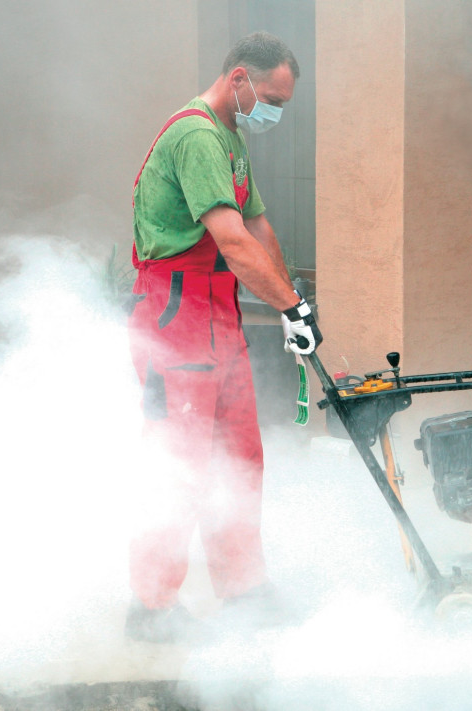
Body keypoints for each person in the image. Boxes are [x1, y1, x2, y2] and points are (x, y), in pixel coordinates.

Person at [125, 31, 321, 644]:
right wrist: (288, 306)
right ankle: (151, 608)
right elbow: (232, 242)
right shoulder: (196, 136)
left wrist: (295, 306)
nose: (274, 113)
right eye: (272, 100)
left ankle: (244, 592)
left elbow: (259, 229)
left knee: (238, 457)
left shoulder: (230, 137)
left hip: (218, 319)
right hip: (174, 317)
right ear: (239, 79)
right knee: (179, 464)